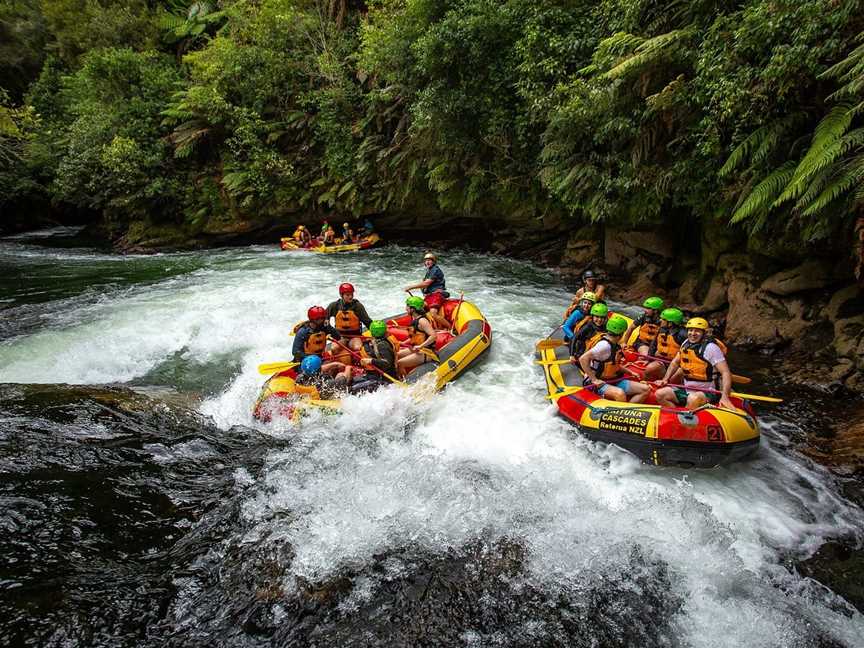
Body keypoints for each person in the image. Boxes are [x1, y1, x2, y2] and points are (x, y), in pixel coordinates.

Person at [655, 317, 736, 411]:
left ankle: (685, 417)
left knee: (693, 399)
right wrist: (665, 379)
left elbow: (725, 372)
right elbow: (675, 363)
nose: (692, 333)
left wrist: (725, 396)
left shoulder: (711, 348)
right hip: (687, 389)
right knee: (660, 394)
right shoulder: (686, 343)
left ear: (704, 333)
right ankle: (677, 415)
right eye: (690, 330)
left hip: (709, 392)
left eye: (697, 331)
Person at [579, 316, 651, 403]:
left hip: (613, 380)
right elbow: (582, 359)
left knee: (645, 389)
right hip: (598, 383)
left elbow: (613, 365)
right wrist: (594, 379)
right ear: (621, 334)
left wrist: (630, 372)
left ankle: (627, 412)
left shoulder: (615, 344)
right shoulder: (604, 346)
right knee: (620, 394)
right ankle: (622, 413)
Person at [348, 320, 400, 393]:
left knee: (352, 389)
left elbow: (387, 363)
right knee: (353, 382)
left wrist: (371, 360)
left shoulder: (382, 345)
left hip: (385, 380)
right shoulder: (377, 342)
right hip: (375, 376)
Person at [326, 283, 372, 353]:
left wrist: (376, 334)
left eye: (352, 294)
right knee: (334, 349)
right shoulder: (334, 306)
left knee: (357, 348)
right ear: (341, 295)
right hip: (340, 336)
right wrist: (331, 332)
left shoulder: (358, 306)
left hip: (354, 336)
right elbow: (324, 320)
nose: (350, 297)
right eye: (347, 295)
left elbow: (367, 322)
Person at [642, 307, 687, 381]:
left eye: (663, 319)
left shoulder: (682, 334)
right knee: (649, 368)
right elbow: (654, 344)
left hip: (675, 365)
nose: (660, 320)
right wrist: (648, 358)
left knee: (673, 379)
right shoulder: (662, 329)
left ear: (670, 323)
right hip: (661, 361)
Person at [396, 296, 438, 373]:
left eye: (407, 306)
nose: (406, 308)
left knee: (400, 363)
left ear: (413, 309)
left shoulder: (422, 321)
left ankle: (404, 380)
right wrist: (403, 343)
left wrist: (420, 346)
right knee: (396, 355)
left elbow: (433, 336)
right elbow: (416, 336)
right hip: (418, 349)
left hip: (427, 352)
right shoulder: (414, 319)